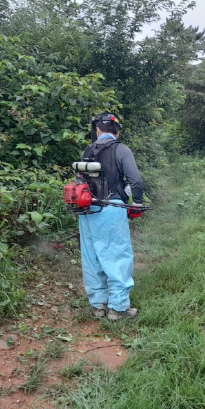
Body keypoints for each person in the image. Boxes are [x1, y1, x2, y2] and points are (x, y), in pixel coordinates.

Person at [78, 113, 144, 320]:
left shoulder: (87, 151)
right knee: (117, 255)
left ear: (97, 131)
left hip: (86, 210)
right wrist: (138, 204)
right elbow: (136, 181)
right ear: (117, 131)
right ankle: (118, 308)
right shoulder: (121, 149)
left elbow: (79, 182)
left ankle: (98, 305)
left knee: (92, 257)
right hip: (111, 207)